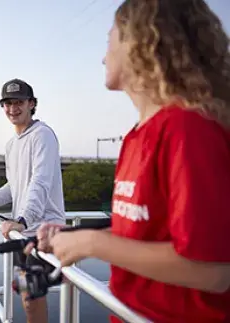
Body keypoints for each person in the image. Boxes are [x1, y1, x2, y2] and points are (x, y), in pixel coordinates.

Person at [25, 0, 230, 322]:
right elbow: (151, 231)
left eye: (110, 40)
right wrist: (71, 236)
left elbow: (212, 271)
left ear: (141, 44)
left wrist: (90, 243)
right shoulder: (137, 136)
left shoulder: (188, 129)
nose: (104, 56)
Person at [0, 78, 66, 323]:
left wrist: (21, 220)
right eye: (7, 104)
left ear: (32, 104)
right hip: (22, 234)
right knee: (26, 297)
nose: (12, 109)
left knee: (32, 300)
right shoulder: (11, 145)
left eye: (18, 102)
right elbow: (14, 187)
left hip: (43, 233)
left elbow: (39, 182)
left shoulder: (43, 136)